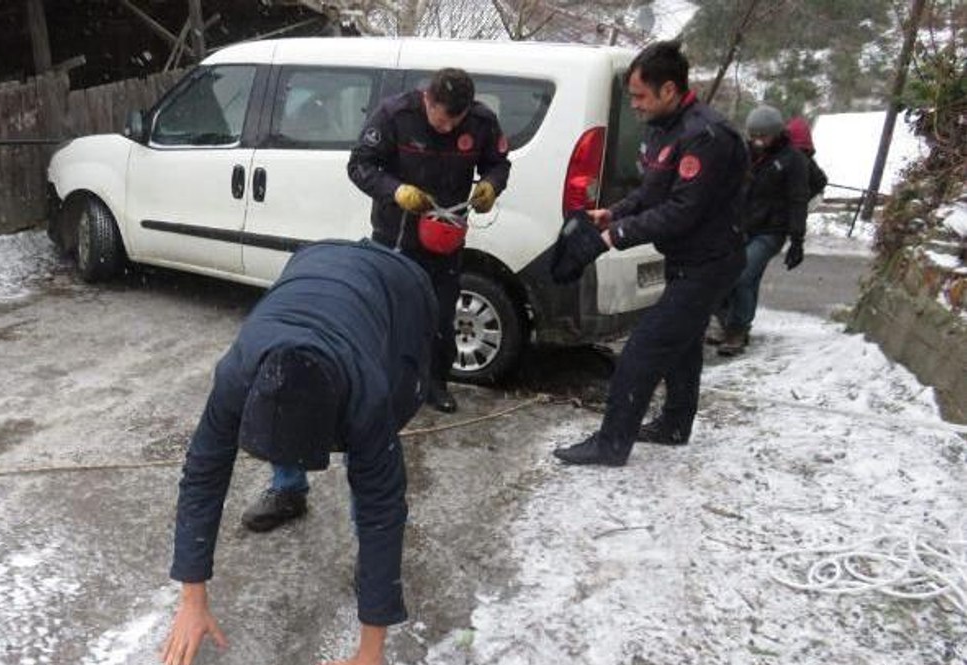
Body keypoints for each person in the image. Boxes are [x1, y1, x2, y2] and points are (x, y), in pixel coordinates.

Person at [162, 240, 437, 665]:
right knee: (286, 405)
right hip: (313, 264)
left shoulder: (368, 395)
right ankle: (289, 490)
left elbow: (384, 509)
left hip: (402, 288)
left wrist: (370, 653)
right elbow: (203, 474)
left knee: (372, 468)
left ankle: (368, 569)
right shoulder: (239, 373)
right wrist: (191, 598)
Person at [551, 40, 748, 466]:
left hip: (710, 262)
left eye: (641, 96)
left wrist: (614, 236)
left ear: (669, 90)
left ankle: (611, 444)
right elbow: (652, 191)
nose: (635, 105)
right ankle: (675, 424)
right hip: (687, 258)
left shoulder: (706, 137)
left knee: (643, 349)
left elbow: (682, 211)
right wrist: (613, 213)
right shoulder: (666, 128)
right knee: (683, 344)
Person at [347, 67, 511, 414]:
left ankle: (434, 384)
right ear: (428, 99)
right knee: (391, 314)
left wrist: (491, 185)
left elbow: (499, 164)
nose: (448, 128)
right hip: (395, 236)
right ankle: (384, 383)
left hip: (446, 237)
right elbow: (360, 165)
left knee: (440, 315)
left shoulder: (481, 122)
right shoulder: (395, 116)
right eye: (442, 119)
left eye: (456, 121)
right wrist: (396, 191)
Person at [715, 105, 811, 356]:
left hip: (771, 230)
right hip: (740, 225)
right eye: (753, 135)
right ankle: (729, 322)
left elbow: (798, 200)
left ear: (776, 133)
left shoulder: (793, 160)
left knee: (744, 275)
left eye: (763, 136)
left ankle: (737, 329)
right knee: (727, 275)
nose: (758, 141)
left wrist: (797, 239)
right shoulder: (745, 154)